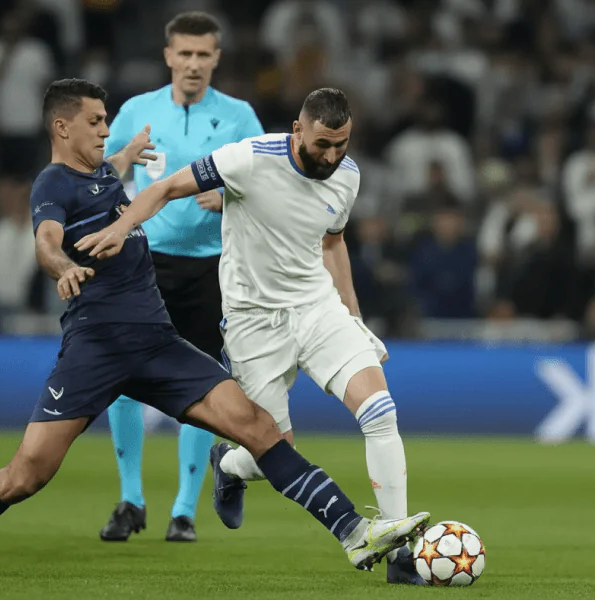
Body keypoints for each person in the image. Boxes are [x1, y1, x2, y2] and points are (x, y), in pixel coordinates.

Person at [0, 79, 429, 576]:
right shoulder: (53, 184)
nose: (106, 130)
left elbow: (126, 177)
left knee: (260, 428)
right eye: (97, 121)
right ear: (62, 127)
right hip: (96, 348)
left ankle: (356, 533)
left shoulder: (103, 172)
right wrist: (64, 266)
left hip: (156, 343)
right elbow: (46, 242)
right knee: (26, 475)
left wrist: (129, 155)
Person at [76, 88, 424, 585]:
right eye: (322, 144)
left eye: (341, 144)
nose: (331, 156)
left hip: (316, 309)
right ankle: (232, 465)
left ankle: (398, 551)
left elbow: (334, 240)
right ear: (297, 130)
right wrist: (121, 227)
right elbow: (168, 188)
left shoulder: (347, 176)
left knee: (380, 410)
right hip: (251, 322)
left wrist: (354, 315)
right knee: (272, 451)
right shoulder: (248, 158)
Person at [99, 10, 265, 543]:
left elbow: (268, 182)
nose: (193, 64)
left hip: (211, 266)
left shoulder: (240, 116)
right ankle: (130, 500)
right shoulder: (135, 111)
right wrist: (120, 162)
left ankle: (184, 510)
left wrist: (234, 194)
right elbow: (101, 176)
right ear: (168, 55)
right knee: (124, 379)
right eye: (185, 54)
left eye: (203, 55)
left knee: (198, 383)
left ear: (217, 58)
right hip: (144, 260)